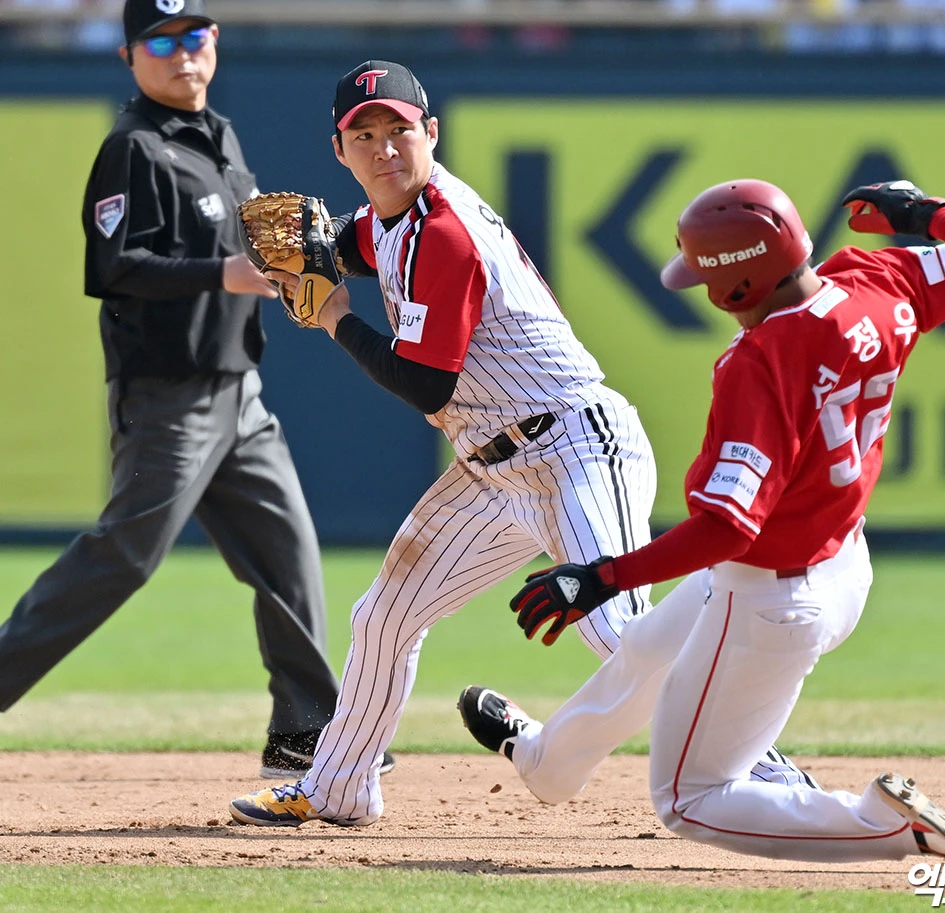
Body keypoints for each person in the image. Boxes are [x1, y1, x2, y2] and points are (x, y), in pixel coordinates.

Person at [227, 60, 809, 827]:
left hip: (573, 445)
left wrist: (333, 315)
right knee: (385, 616)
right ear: (340, 152)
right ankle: (339, 788)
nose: (384, 148)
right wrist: (253, 274)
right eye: (363, 135)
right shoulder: (387, 219)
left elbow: (425, 386)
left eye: (399, 129)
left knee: (619, 630)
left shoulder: (445, 232)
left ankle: (768, 769)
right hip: (491, 464)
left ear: (429, 133)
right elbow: (334, 250)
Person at [458, 178, 945, 868]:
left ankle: (884, 825)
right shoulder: (877, 275)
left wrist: (602, 577)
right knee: (647, 649)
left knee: (689, 796)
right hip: (839, 561)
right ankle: (545, 761)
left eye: (705, 276)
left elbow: (727, 528)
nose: (701, 288)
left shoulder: (758, 364)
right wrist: (922, 214)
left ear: (737, 289)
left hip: (768, 595)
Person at [0, 0, 354, 781]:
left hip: (240, 392)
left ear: (214, 43)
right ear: (130, 57)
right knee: (122, 556)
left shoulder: (219, 137)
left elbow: (246, 249)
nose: (179, 52)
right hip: (170, 397)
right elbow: (112, 267)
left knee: (288, 554)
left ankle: (304, 728)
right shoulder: (133, 149)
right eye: (159, 41)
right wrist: (220, 273)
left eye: (192, 35)